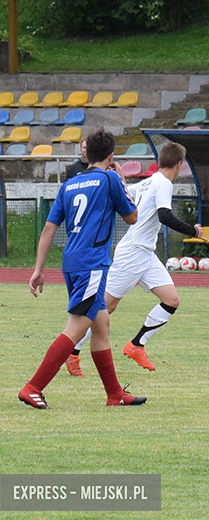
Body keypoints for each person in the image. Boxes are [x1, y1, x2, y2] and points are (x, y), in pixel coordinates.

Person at [18, 129, 144, 408]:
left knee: (101, 326)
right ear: (111, 157)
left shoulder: (69, 184)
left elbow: (49, 228)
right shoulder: (110, 178)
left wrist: (38, 269)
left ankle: (114, 394)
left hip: (71, 263)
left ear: (87, 154)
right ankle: (33, 387)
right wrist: (122, 180)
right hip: (92, 264)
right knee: (76, 328)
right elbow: (132, 217)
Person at [65, 141, 204, 375]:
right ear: (179, 164)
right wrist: (193, 231)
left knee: (171, 300)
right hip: (132, 253)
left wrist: (121, 179)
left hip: (145, 253)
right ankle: (73, 353)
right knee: (104, 307)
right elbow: (165, 216)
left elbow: (128, 195)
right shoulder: (163, 183)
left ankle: (136, 345)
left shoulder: (150, 181)